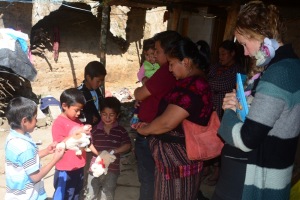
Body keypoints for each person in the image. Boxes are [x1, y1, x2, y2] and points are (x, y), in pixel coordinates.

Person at [212, 1, 300, 200]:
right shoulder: (293, 66)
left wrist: (230, 111)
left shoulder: (278, 73)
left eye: (245, 43)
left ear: (263, 35)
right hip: (272, 172)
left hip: (253, 180)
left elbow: (246, 139)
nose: (245, 52)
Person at [136, 37, 213, 200]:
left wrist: (145, 130)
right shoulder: (193, 83)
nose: (169, 69)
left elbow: (167, 122)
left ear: (185, 62)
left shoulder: (192, 87)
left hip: (177, 162)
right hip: (180, 159)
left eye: (172, 64)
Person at [133, 30, 182, 200]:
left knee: (148, 179)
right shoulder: (168, 71)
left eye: (158, 52)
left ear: (169, 52)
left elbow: (140, 94)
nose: (155, 56)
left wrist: (137, 92)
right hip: (155, 129)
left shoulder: (164, 72)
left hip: (151, 130)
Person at [4, 97, 64, 200]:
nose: (36, 120)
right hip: (29, 196)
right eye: (35, 117)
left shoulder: (13, 137)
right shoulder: (24, 147)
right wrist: (55, 160)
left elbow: (26, 160)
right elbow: (35, 176)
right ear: (25, 121)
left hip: (16, 194)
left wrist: (46, 151)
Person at [205, 39, 244, 186]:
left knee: (221, 140)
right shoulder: (216, 67)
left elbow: (221, 84)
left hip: (225, 111)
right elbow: (207, 78)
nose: (220, 57)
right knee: (209, 136)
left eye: (224, 54)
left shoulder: (237, 70)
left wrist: (210, 82)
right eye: (219, 54)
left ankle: (218, 170)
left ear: (232, 54)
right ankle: (207, 166)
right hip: (211, 108)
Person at [85, 96, 131, 200]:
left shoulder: (121, 131)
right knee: (91, 194)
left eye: (111, 115)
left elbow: (128, 145)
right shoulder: (95, 130)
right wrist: (98, 153)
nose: (107, 118)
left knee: (107, 194)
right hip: (94, 168)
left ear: (117, 115)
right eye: (104, 114)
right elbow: (88, 143)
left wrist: (114, 151)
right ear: (100, 113)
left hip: (112, 170)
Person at [52, 88, 92, 200]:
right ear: (64, 106)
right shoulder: (59, 123)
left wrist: (86, 132)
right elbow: (60, 144)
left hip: (78, 166)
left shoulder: (77, 120)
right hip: (65, 169)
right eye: (76, 110)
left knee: (76, 193)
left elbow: (81, 139)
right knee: (64, 195)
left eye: (80, 110)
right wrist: (78, 132)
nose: (79, 113)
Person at [77, 61, 107, 126]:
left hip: (98, 125)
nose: (100, 83)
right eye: (98, 81)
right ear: (88, 78)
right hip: (85, 127)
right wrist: (89, 117)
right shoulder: (79, 93)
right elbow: (76, 112)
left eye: (102, 81)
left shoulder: (97, 90)